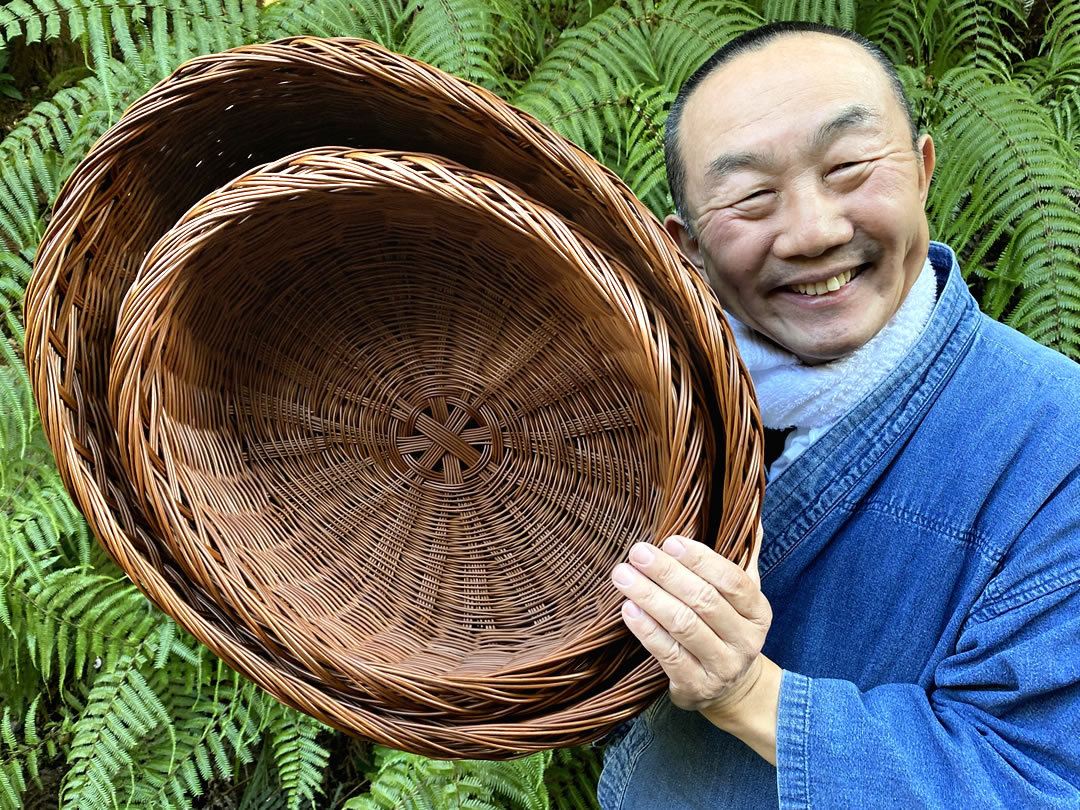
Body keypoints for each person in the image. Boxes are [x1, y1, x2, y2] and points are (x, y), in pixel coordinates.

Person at [598, 21, 1080, 809]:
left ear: (922, 170)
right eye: (752, 197)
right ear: (686, 249)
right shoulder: (652, 417)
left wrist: (748, 693)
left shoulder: (1056, 445)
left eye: (850, 168)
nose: (815, 232)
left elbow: (1038, 782)